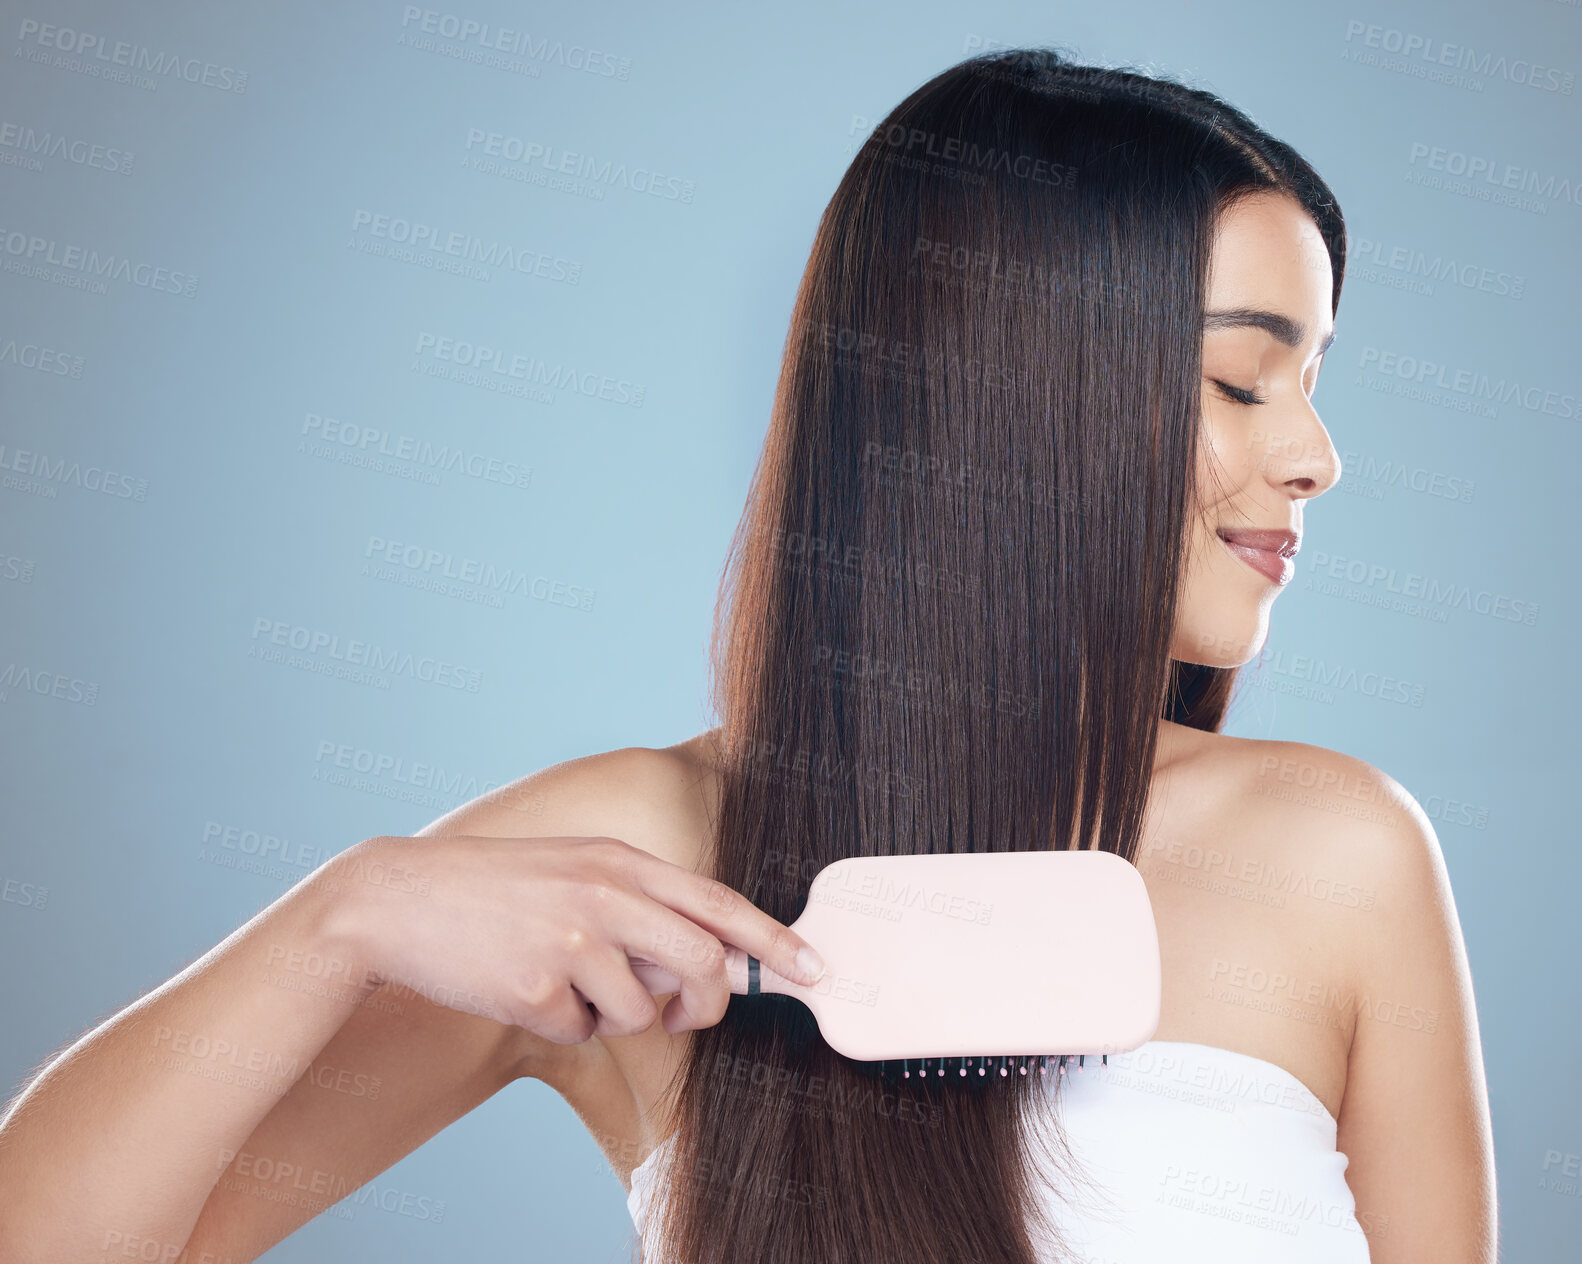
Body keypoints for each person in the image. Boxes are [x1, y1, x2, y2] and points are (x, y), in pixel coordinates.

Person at [0, 46, 1495, 1264]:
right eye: (1242, 379)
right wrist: (341, 918)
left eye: (1309, 380)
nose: (1314, 455)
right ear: (1003, 392)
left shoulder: (1337, 854)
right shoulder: (637, 865)